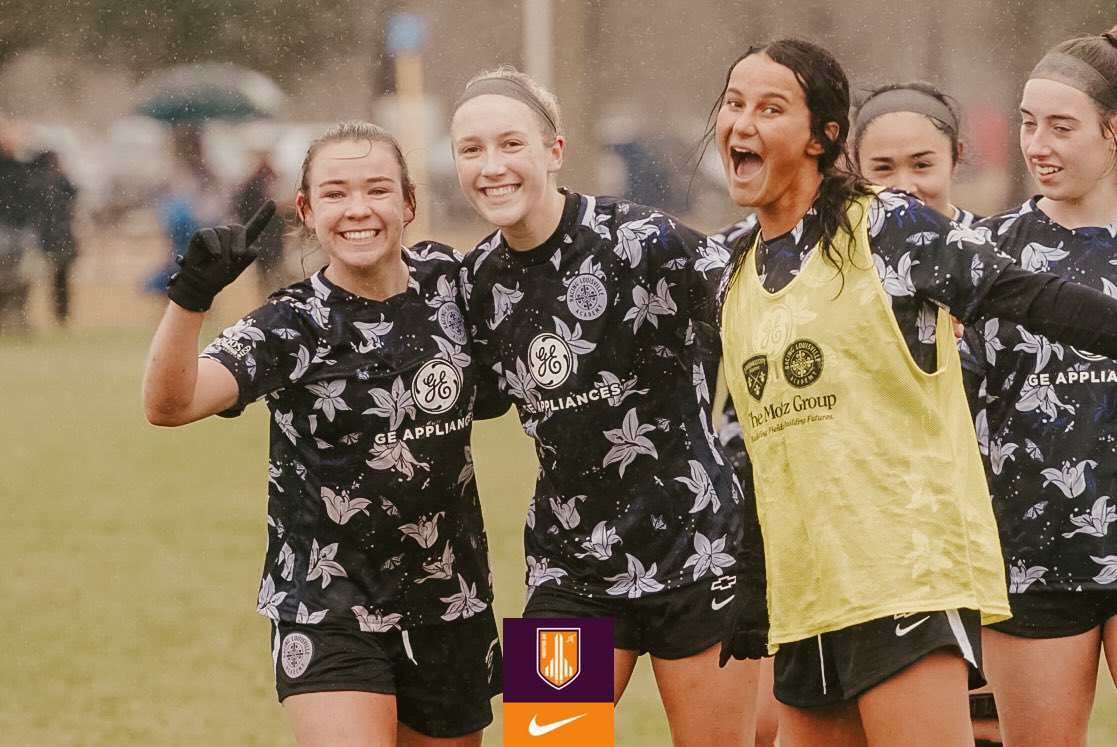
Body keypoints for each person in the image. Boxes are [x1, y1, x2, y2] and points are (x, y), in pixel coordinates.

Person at [713, 38, 1117, 746]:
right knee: (554, 730)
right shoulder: (730, 270)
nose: (742, 122)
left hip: (902, 578)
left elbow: (1029, 298)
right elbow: (757, 440)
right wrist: (751, 572)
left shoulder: (890, 232)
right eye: (733, 103)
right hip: (789, 593)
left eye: (769, 108)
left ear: (821, 137)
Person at [143, 121, 501, 747]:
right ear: (306, 211)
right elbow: (169, 405)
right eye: (335, 193)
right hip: (326, 606)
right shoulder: (291, 324)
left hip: (450, 601)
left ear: (408, 203)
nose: (358, 209)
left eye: (377, 189)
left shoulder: (452, 284)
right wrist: (191, 297)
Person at [450, 67, 759, 746]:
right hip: (570, 569)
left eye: (511, 144)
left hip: (699, 553)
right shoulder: (474, 284)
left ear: (554, 151)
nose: (492, 166)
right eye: (471, 150)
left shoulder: (642, 241)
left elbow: (764, 302)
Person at [967, 27, 1117, 747]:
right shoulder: (985, 252)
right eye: (1028, 123)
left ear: (1113, 130)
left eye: (1061, 126)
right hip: (1030, 554)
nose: (1036, 145)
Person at [850, 79, 1001, 747]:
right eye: (882, 169)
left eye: (922, 164)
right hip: (567, 567)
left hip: (978, 546)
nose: (903, 186)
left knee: (987, 728)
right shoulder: (819, 269)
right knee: (555, 730)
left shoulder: (996, 260)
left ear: (957, 156)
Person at [28, 150, 79, 325]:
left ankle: (59, 313)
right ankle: (61, 313)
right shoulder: (52, 184)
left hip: (51, 238)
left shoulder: (39, 183)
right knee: (59, 279)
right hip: (55, 238)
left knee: (57, 279)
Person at [232, 148, 288, 295]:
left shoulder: (272, 177)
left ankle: (274, 295)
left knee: (275, 269)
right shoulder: (254, 182)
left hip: (273, 234)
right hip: (262, 234)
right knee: (266, 271)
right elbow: (243, 208)